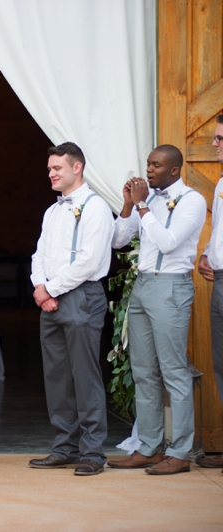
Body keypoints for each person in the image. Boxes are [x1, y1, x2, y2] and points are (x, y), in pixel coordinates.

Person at [107, 145, 206, 475]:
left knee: (174, 372)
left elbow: (167, 242)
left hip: (171, 286)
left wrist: (142, 206)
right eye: (148, 164)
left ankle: (179, 452)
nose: (148, 170)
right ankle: (149, 446)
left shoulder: (191, 200)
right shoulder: (145, 202)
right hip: (144, 285)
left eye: (156, 165)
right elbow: (119, 240)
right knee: (143, 370)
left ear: (174, 170)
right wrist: (127, 206)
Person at [28, 142, 113, 476]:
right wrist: (39, 286)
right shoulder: (52, 211)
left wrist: (50, 288)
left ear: (76, 167)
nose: (51, 173)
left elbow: (89, 262)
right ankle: (64, 446)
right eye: (50, 168)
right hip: (49, 298)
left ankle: (92, 452)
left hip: (82, 296)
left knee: (84, 373)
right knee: (57, 375)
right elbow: (39, 254)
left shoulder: (95, 207)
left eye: (57, 168)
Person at [197, 114, 223, 470]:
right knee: (221, 364)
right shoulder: (219, 184)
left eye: (219, 138)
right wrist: (208, 254)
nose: (215, 143)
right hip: (219, 281)